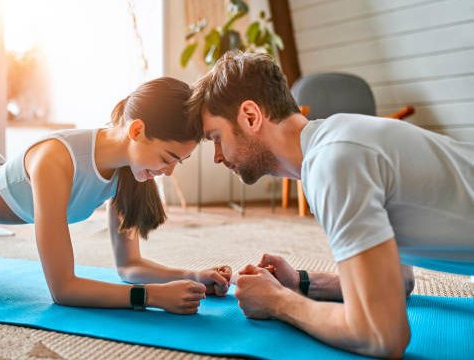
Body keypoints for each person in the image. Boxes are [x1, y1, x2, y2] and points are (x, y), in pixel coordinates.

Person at [0, 77, 232, 314]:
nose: (168, 171)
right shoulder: (56, 160)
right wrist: (149, 297)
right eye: (168, 158)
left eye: (178, 163)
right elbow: (63, 288)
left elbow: (129, 267)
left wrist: (192, 275)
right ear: (137, 130)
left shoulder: (129, 173)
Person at [187, 51, 474, 357]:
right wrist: (300, 282)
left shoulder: (333, 162)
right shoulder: (337, 140)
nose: (217, 155)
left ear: (251, 116)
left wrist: (278, 302)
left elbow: (382, 334)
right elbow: (400, 281)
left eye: (216, 137)